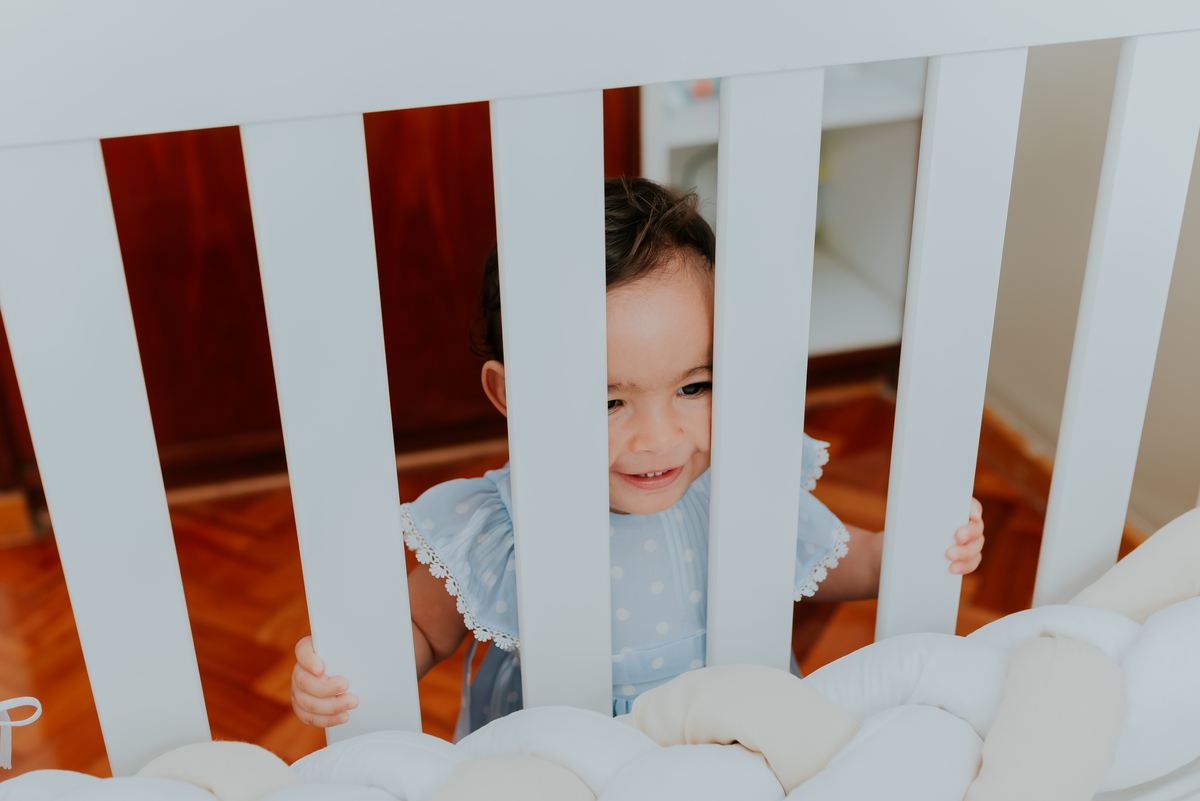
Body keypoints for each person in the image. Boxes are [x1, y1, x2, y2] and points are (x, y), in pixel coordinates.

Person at [290, 178, 985, 737]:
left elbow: (842, 559)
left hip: (729, 747)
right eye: (608, 402)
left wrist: (921, 550)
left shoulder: (737, 491)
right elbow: (420, 627)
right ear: (511, 395)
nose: (657, 437)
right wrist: (344, 675)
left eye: (694, 386)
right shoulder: (502, 526)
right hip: (558, 762)